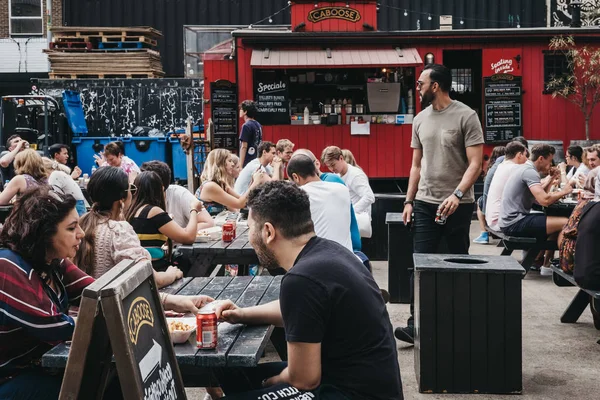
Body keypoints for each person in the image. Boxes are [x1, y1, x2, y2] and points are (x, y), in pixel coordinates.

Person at [0, 186, 212, 399]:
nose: (81, 234)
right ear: (43, 233)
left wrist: (170, 302)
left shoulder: (53, 262)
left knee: (119, 381)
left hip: (43, 366)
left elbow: (100, 292)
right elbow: (58, 327)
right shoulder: (8, 268)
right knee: (103, 388)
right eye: (72, 228)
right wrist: (141, 324)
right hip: (13, 378)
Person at [212, 181, 403, 399]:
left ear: (268, 231)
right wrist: (242, 314)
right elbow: (300, 311)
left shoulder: (302, 278)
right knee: (236, 375)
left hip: (349, 391)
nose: (250, 237)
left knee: (249, 385)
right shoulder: (329, 252)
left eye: (250, 228)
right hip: (366, 384)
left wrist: (268, 384)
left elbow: (304, 379)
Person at [395, 64, 484, 345]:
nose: (417, 87)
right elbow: (415, 166)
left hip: (459, 204)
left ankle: (463, 320)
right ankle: (415, 325)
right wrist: (408, 200)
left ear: (435, 86)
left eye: (421, 83)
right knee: (419, 263)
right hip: (424, 202)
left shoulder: (466, 116)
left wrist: (457, 195)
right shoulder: (420, 119)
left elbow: (476, 164)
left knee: (459, 261)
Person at [75, 166, 183, 287]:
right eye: (131, 188)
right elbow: (150, 279)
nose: (133, 193)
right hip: (113, 303)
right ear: (122, 199)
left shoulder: (82, 223)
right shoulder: (118, 230)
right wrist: (172, 274)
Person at [499, 144, 572, 275]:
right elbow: (545, 200)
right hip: (515, 222)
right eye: (550, 161)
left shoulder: (526, 169)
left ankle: (548, 264)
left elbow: (539, 199)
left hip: (509, 221)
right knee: (566, 223)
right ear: (541, 159)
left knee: (557, 223)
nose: (550, 165)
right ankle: (566, 264)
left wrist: (551, 179)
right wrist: (564, 191)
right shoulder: (529, 172)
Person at [126, 171, 204, 272]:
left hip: (140, 268)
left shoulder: (131, 211)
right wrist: (194, 210)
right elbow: (188, 237)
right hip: (155, 268)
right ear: (160, 190)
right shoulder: (153, 212)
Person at [287, 154, 353, 252]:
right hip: (348, 258)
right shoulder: (342, 189)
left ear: (295, 177)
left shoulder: (299, 195)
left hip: (319, 260)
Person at [140, 161, 214, 231]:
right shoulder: (136, 199)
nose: (140, 186)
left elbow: (207, 222)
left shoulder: (179, 194)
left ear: (160, 187)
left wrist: (178, 234)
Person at [322, 145, 375, 238]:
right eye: (328, 166)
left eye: (333, 165)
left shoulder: (355, 175)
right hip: (347, 222)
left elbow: (369, 197)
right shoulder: (338, 175)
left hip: (356, 223)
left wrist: (351, 212)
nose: (331, 169)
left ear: (341, 158)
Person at [196, 149, 266, 215]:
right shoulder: (210, 186)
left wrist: (252, 183)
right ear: (220, 164)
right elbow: (239, 204)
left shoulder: (222, 184)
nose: (232, 164)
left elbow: (242, 200)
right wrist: (255, 182)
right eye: (229, 161)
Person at [485, 142, 529, 232]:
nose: (527, 159)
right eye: (525, 155)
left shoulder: (502, 166)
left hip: (491, 218)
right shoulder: (515, 168)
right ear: (519, 155)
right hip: (501, 221)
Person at [473, 145, 506, 243]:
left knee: (480, 202)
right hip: (502, 201)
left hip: (492, 202)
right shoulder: (506, 168)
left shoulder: (491, 168)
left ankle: (484, 233)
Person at [238, 100, 262, 167]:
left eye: (241, 109)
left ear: (245, 112)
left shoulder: (246, 126)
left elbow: (244, 146)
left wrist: (240, 165)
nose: (240, 111)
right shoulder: (258, 125)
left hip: (247, 160)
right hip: (256, 159)